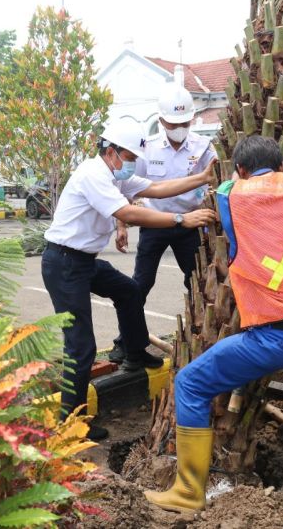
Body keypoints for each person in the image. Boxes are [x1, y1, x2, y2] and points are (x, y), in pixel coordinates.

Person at [144, 129, 283, 514]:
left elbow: (237, 185)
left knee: (190, 383)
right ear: (281, 168)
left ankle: (187, 491)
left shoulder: (229, 196)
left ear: (239, 169)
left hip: (274, 338)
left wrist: (239, 174)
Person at [42, 118, 217, 440]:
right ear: (111, 151)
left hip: (82, 260)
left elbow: (155, 189)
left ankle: (134, 353)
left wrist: (202, 178)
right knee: (81, 346)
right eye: (130, 158)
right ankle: (72, 425)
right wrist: (182, 218)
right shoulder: (94, 175)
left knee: (129, 291)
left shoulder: (112, 173)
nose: (132, 164)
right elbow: (129, 214)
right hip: (65, 263)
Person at [109, 84, 217, 364]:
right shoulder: (148, 148)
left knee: (198, 281)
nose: (179, 127)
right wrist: (121, 225)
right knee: (140, 285)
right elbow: (128, 188)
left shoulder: (204, 147)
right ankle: (125, 341)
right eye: (173, 122)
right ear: (162, 121)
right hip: (154, 224)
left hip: (190, 225)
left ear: (191, 120)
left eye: (184, 122)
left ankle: (203, 336)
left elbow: (216, 180)